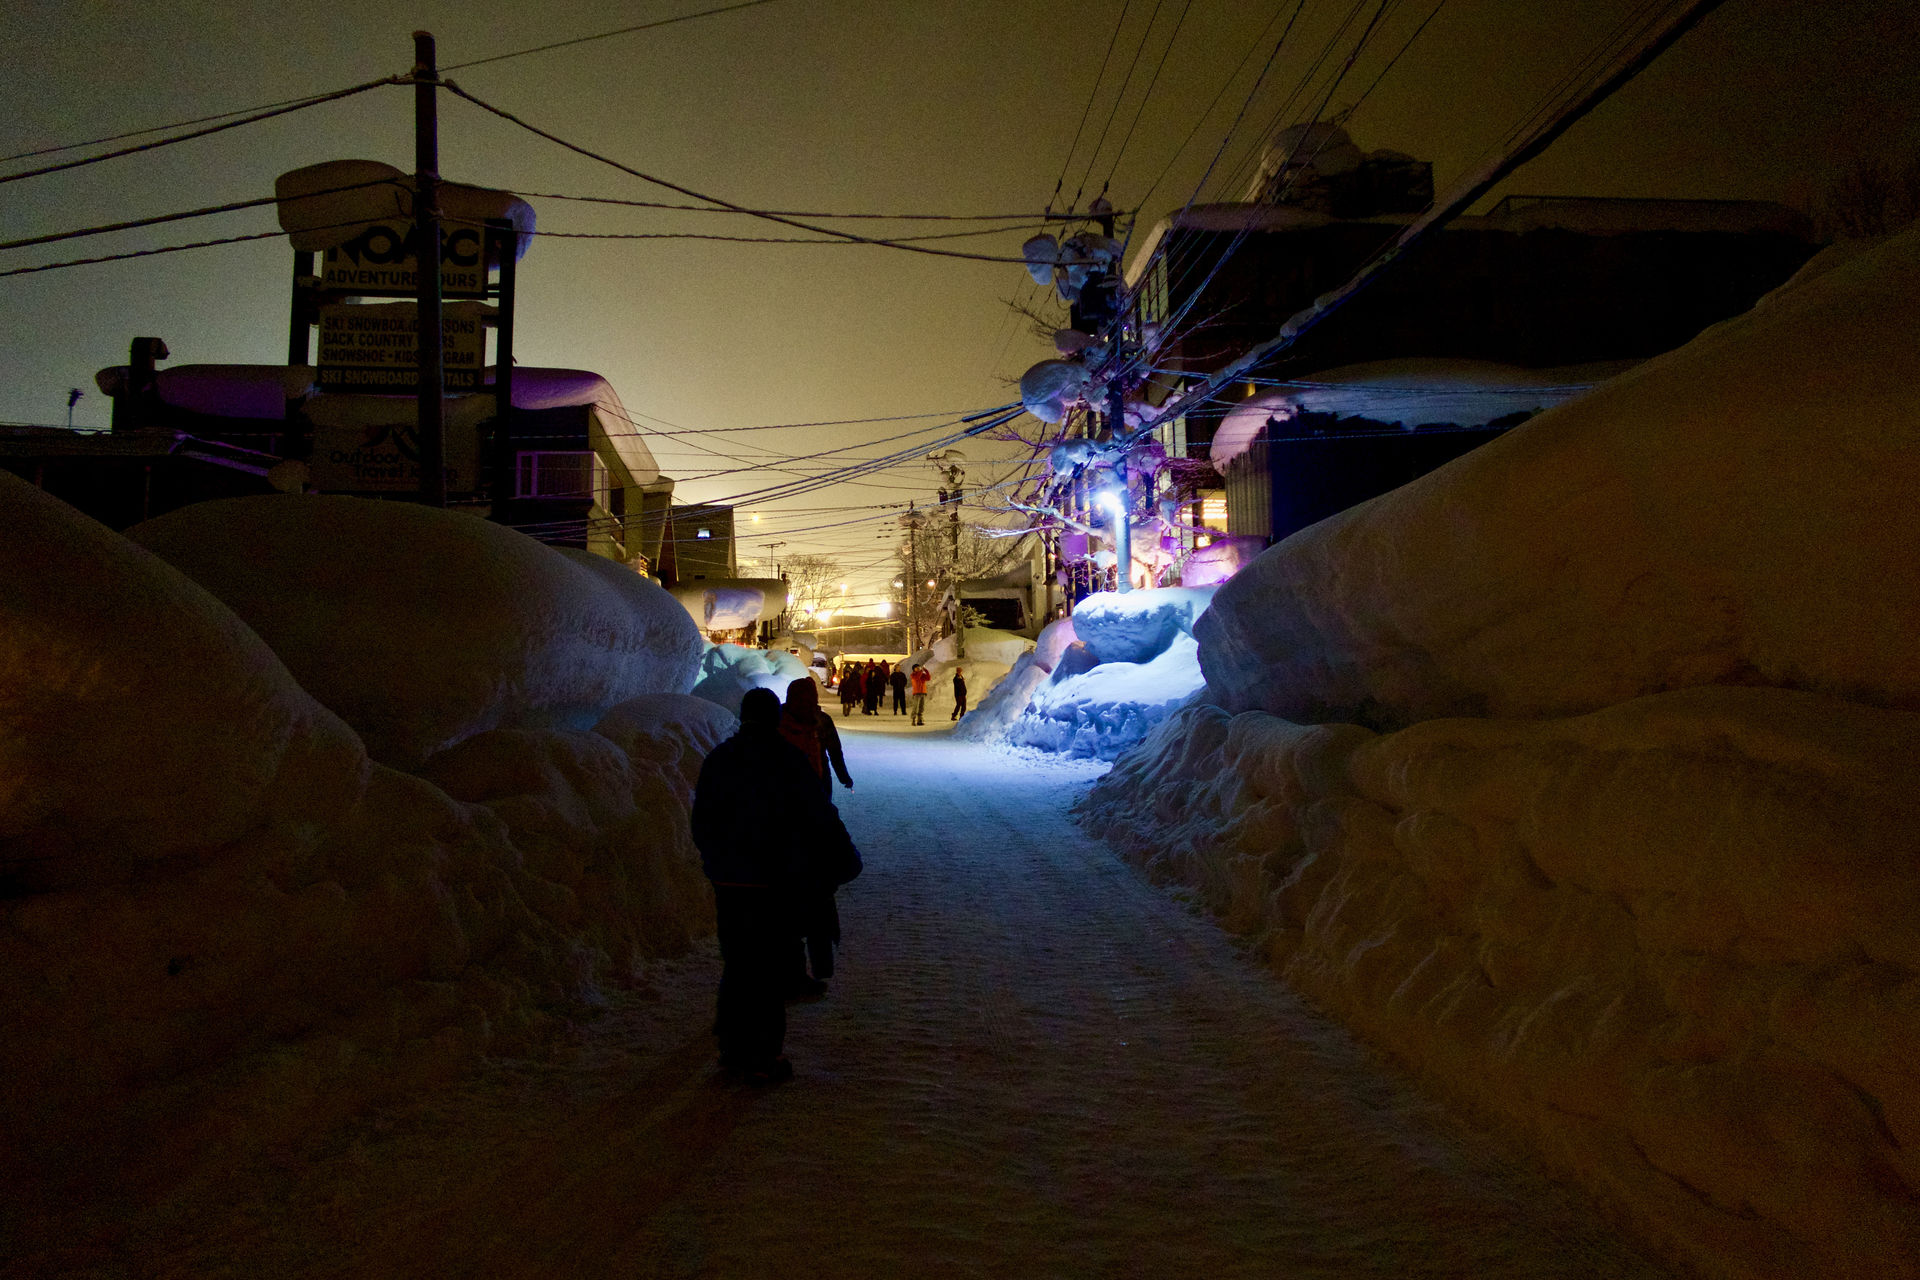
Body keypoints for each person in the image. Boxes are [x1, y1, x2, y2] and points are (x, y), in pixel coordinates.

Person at [691, 688, 859, 1084]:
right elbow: (819, 815)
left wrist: (716, 860)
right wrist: (843, 859)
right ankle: (764, 1055)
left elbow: (702, 820)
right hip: (775, 882)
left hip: (730, 882)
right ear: (773, 718)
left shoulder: (719, 760)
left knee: (738, 962)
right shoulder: (788, 761)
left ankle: (733, 1050)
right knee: (767, 967)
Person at [779, 677, 853, 993]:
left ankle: (801, 969)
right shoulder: (818, 722)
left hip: (792, 812)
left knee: (798, 897)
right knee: (818, 893)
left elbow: (832, 751)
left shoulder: (781, 722)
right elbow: (833, 752)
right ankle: (819, 964)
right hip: (812, 804)